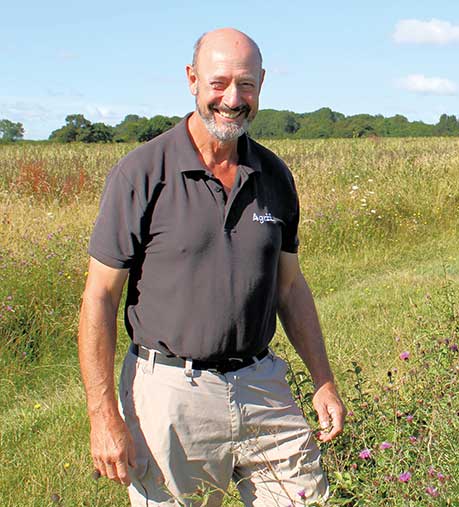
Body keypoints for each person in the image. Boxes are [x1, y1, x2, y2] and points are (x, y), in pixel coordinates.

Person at [78, 27, 345, 506]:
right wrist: (103, 415)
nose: (232, 98)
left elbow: (289, 287)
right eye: (219, 83)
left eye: (245, 84)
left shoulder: (274, 175)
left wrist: (323, 380)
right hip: (171, 395)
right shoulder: (142, 173)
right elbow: (99, 296)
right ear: (192, 79)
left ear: (261, 83)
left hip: (262, 384)